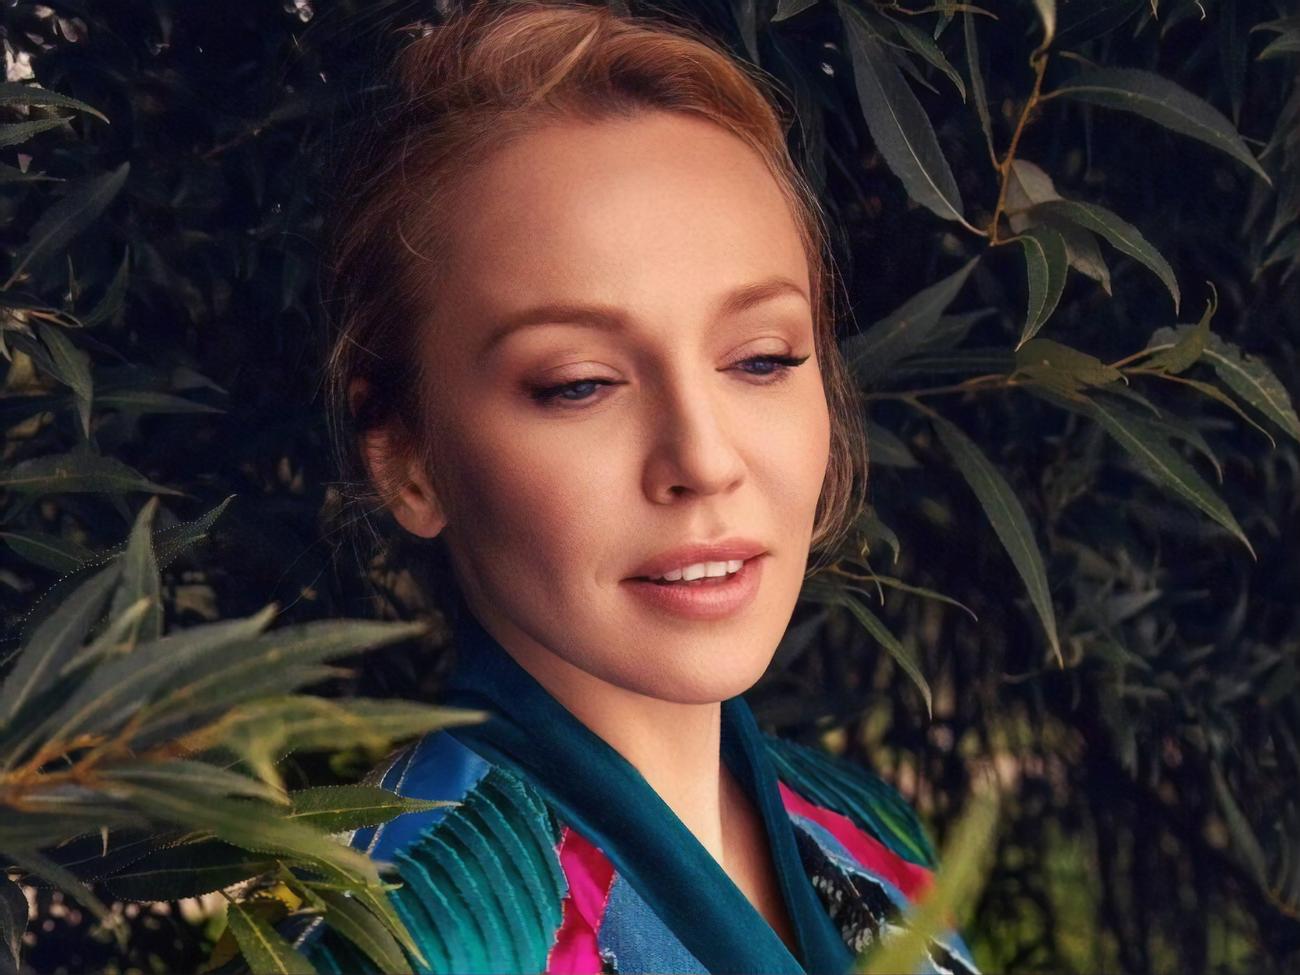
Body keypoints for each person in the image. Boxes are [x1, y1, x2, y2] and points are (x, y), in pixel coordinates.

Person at [293, 1, 979, 971]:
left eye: (761, 359)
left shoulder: (871, 835)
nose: (703, 458)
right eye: (579, 383)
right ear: (405, 455)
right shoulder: (412, 934)